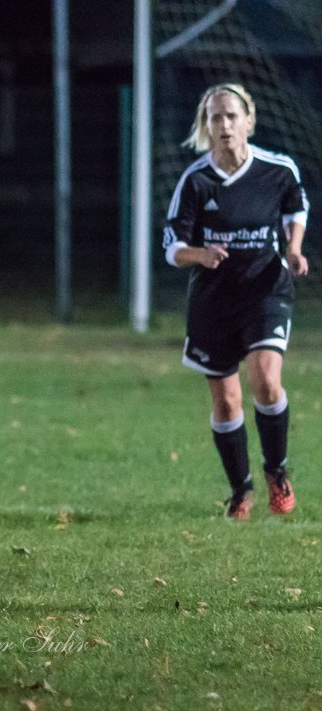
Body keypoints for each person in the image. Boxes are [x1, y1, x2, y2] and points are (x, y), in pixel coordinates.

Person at [163, 82, 309, 519]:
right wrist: (200, 255)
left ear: (249, 120)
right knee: (226, 401)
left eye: (231, 116)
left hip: (266, 290)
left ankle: (277, 472)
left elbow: (296, 208)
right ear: (205, 127)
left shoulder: (277, 169)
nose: (224, 125)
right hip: (214, 300)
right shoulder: (197, 180)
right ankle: (240, 491)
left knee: (266, 380)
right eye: (215, 118)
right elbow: (171, 247)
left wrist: (294, 248)